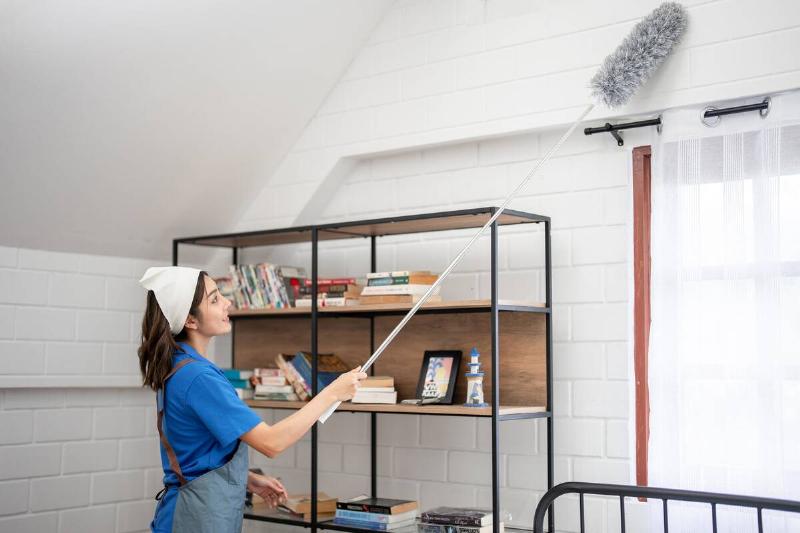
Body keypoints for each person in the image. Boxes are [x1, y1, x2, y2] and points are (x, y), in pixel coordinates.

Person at [138, 266, 366, 533]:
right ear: (190, 320)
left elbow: (194, 454)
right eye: (214, 300)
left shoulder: (181, 366)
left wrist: (245, 479)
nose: (227, 303)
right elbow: (272, 442)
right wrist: (333, 392)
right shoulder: (198, 377)